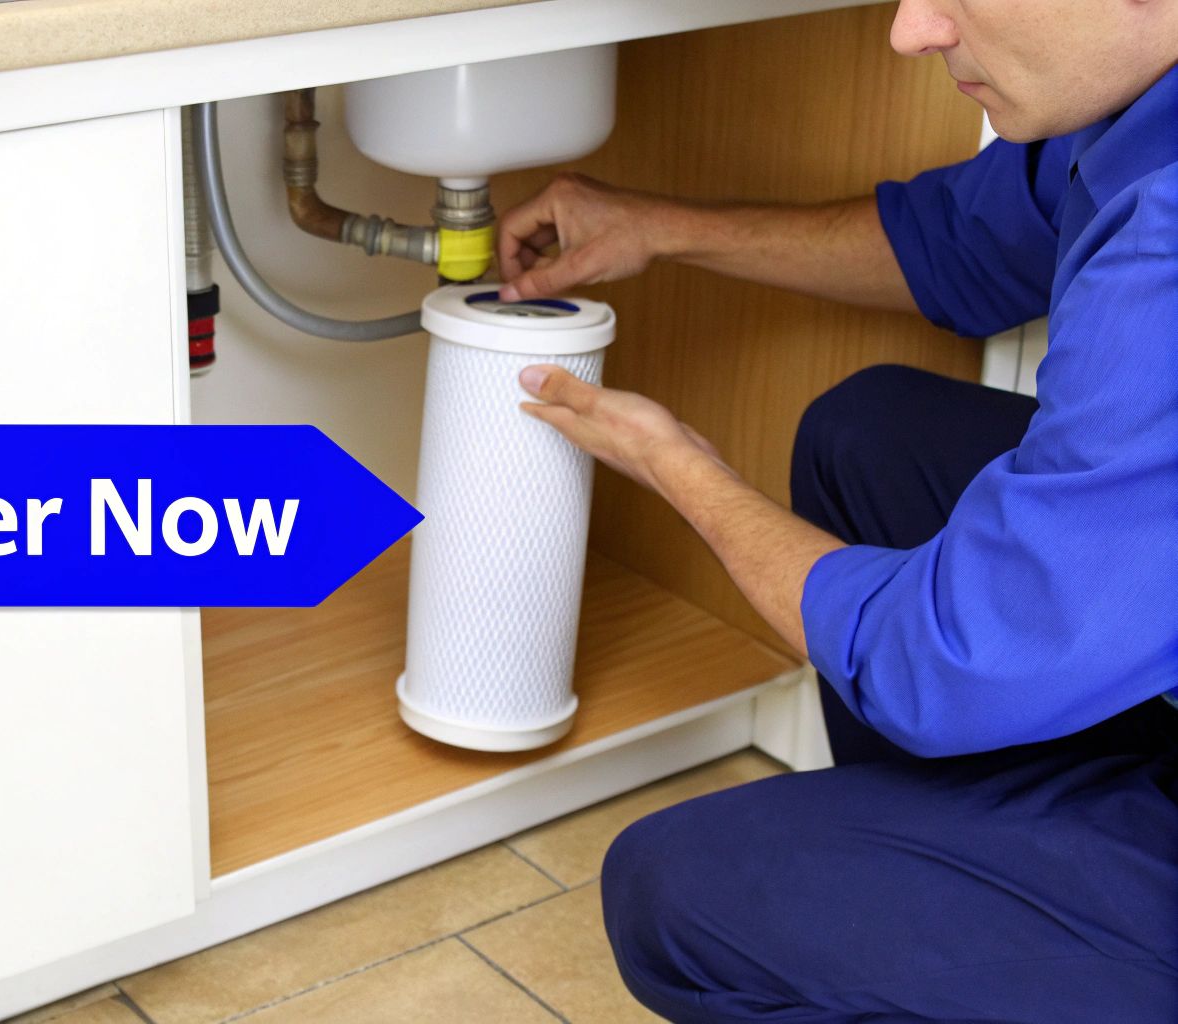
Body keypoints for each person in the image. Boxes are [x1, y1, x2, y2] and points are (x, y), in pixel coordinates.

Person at [494, 0, 1178, 1018]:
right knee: (868, 434)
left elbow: (938, 657)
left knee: (682, 891)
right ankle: (973, 856)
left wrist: (679, 467)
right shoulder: (1129, 112)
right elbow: (953, 243)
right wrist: (657, 228)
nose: (910, 31)